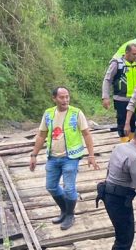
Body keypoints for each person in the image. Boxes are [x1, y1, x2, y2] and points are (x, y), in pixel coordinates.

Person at [29, 87, 99, 231]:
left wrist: (91, 155)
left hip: (71, 157)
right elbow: (41, 135)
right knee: (51, 186)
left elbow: (86, 134)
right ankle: (64, 210)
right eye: (61, 97)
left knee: (69, 188)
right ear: (54, 98)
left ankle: (70, 215)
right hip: (53, 157)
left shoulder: (76, 113)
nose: (65, 100)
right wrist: (33, 155)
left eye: (67, 97)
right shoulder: (48, 114)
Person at [100, 125, 136, 250]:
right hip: (120, 201)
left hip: (107, 193)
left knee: (121, 236)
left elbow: (109, 169)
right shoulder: (135, 157)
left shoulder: (119, 147)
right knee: (124, 240)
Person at [103, 45, 136, 143]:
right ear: (127, 53)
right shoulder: (117, 63)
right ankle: (124, 144)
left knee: (133, 122)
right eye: (134, 54)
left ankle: (132, 143)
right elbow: (107, 80)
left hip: (135, 98)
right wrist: (105, 97)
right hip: (121, 99)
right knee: (122, 122)